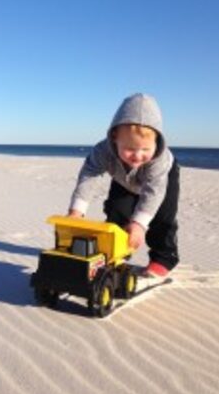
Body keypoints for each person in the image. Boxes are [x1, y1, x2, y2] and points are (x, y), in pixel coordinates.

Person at [68, 93, 179, 277]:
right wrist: (77, 210)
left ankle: (163, 259)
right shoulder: (103, 151)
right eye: (129, 149)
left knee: (163, 218)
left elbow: (153, 192)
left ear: (156, 142)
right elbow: (90, 174)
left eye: (145, 149)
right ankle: (118, 251)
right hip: (123, 178)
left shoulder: (158, 161)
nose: (137, 155)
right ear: (114, 137)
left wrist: (139, 223)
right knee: (117, 212)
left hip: (160, 181)